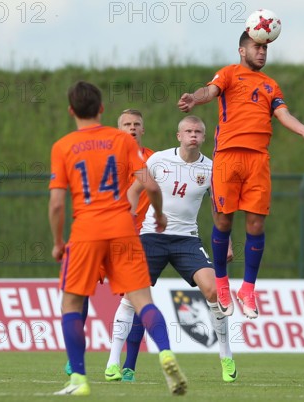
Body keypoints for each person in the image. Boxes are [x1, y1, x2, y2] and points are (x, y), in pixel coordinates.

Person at [49, 81, 187, 396]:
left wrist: (58, 242)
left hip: (85, 232)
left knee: (72, 301)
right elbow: (151, 187)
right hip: (124, 228)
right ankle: (165, 353)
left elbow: (57, 203)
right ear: (101, 109)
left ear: (71, 111)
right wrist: (161, 215)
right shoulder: (121, 141)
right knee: (142, 300)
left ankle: (78, 379)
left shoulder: (63, 146)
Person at [177, 31, 304, 319]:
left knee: (256, 224)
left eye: (265, 48)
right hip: (228, 157)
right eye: (257, 47)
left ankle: (248, 288)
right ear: (242, 51)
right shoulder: (229, 74)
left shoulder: (271, 85)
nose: (262, 52)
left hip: (258, 159)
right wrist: (195, 100)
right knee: (223, 219)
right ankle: (221, 282)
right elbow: (210, 91)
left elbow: (283, 114)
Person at [104, 115, 237, 383]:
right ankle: (112, 363)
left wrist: (228, 240)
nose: (193, 135)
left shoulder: (211, 169)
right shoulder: (158, 160)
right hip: (152, 236)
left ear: (204, 137)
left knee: (214, 290)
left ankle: (226, 356)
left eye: (198, 131)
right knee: (131, 296)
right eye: (188, 130)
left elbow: (218, 208)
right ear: (179, 135)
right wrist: (126, 222)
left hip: (187, 240)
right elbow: (133, 191)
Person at [63, 108, 154, 378]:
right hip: (103, 232)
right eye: (126, 124)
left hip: (137, 239)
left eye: (137, 123)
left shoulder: (155, 160)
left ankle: (129, 365)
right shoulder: (106, 158)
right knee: (80, 290)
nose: (132, 128)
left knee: (135, 299)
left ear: (143, 129)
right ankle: (76, 353)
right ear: (118, 129)